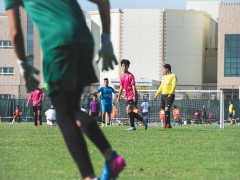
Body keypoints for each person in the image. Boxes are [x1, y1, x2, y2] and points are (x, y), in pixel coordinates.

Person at [5, 0, 125, 179]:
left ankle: (90, 176)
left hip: (58, 44)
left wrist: (23, 65)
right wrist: (106, 38)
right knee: (73, 110)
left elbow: (15, 33)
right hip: (83, 40)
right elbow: (102, 1)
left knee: (63, 116)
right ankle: (110, 157)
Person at [117, 59, 148, 130]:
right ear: (121, 66)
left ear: (128, 67)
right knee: (130, 112)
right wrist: (119, 96)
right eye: (123, 66)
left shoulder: (130, 76)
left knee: (128, 110)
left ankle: (141, 121)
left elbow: (133, 86)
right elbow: (121, 87)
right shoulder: (121, 76)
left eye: (126, 66)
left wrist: (134, 96)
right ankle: (133, 126)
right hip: (128, 96)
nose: (124, 67)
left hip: (133, 95)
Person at [154, 64, 178, 128]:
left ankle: (166, 124)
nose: (163, 70)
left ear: (167, 69)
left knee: (167, 109)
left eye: (163, 69)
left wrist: (171, 93)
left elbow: (174, 85)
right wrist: (156, 94)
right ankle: (168, 124)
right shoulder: (164, 77)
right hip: (163, 95)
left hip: (169, 95)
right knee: (164, 110)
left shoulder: (173, 76)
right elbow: (161, 86)